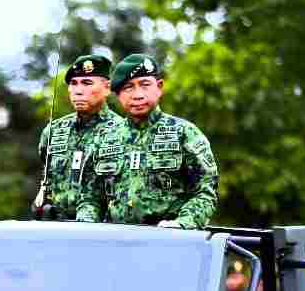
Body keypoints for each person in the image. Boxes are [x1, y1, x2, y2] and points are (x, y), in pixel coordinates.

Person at [76, 54, 218, 229]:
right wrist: (86, 226)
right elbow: (90, 198)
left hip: (169, 239)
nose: (138, 95)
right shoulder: (104, 138)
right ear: (118, 95)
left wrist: (182, 224)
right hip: (114, 239)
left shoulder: (184, 133)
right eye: (128, 88)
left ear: (159, 87)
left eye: (145, 85)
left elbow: (204, 192)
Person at [34, 54, 122, 219]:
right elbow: (47, 176)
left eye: (87, 83)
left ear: (107, 88)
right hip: (57, 226)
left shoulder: (123, 132)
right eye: (73, 83)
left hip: (104, 228)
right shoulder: (53, 131)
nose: (78, 91)